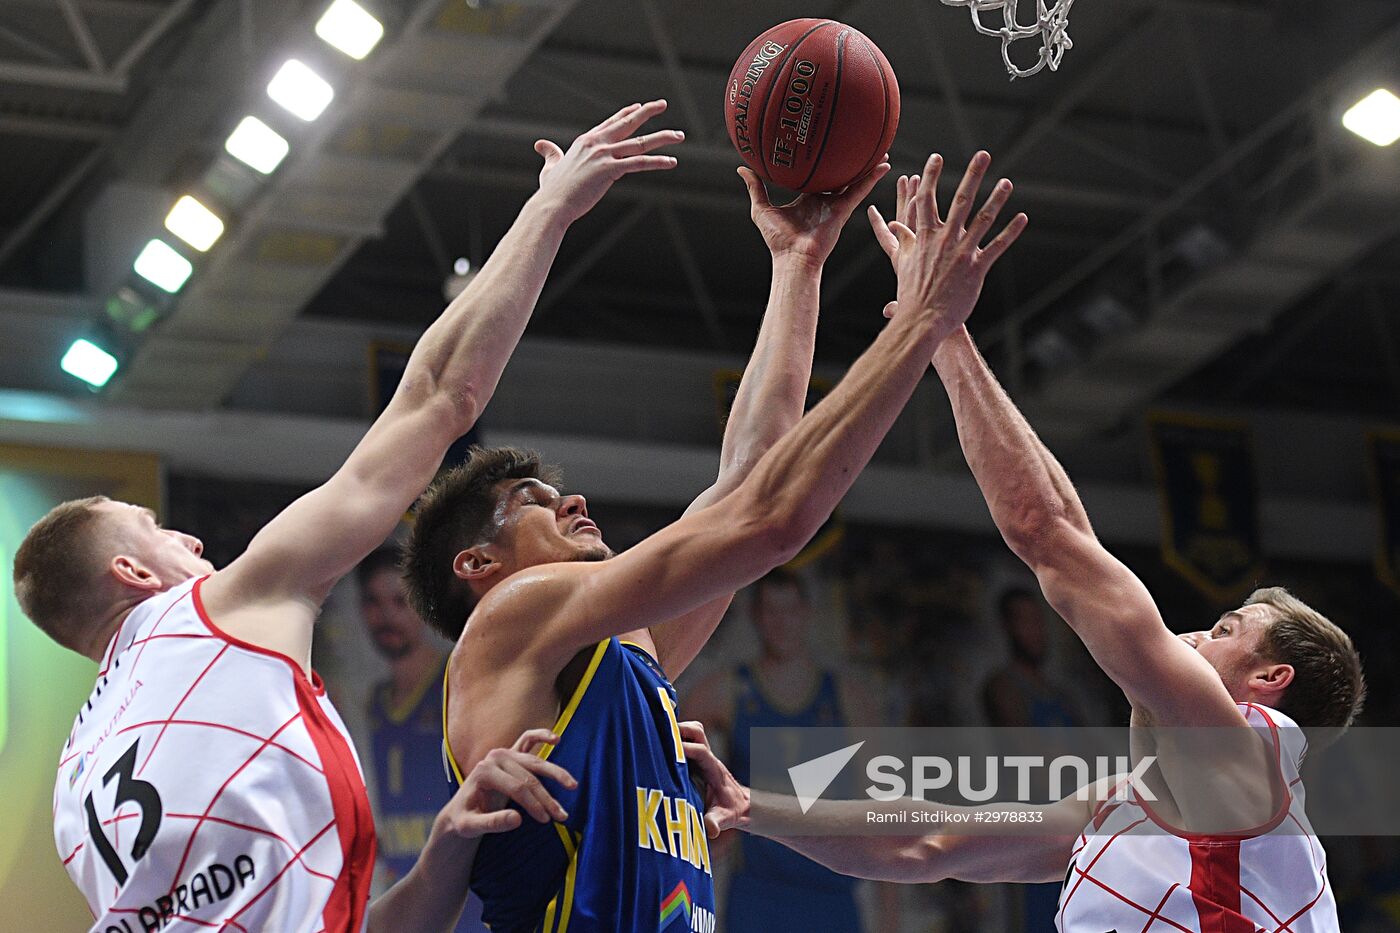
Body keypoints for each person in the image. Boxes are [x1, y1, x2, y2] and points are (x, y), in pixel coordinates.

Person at [15, 99, 684, 931]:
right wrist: (550, 208)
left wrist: (445, 848)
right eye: (157, 528)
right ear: (132, 571)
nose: (190, 539)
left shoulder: (73, 787)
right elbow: (441, 396)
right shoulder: (214, 611)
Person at [678, 170, 1367, 933]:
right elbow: (922, 842)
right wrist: (749, 805)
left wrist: (939, 326)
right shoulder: (1123, 804)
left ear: (1269, 680)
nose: (1201, 629)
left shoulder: (1251, 762)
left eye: (1230, 627)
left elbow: (1053, 538)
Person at [403, 151, 1025, 931]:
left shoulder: (624, 654)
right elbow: (769, 523)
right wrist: (927, 318)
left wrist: (800, 262)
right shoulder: (511, 614)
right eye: (534, 501)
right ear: (477, 564)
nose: (573, 501)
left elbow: (752, 479)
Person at [684, 569, 898, 932]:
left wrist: (891, 921)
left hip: (831, 893)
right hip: (757, 891)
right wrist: (703, 836)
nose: (781, 623)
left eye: (789, 611)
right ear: (756, 615)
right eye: (771, 611)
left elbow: (882, 814)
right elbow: (666, 755)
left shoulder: (848, 698)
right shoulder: (727, 691)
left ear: (805, 612)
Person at [357, 547, 488, 931]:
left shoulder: (461, 679)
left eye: (399, 601)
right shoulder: (373, 704)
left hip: (471, 905)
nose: (386, 616)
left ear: (422, 605)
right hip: (406, 899)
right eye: (373, 602)